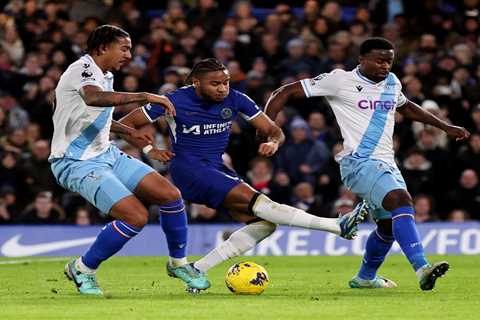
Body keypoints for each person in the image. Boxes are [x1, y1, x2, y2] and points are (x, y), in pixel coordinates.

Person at [119, 58, 367, 292]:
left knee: (264, 224)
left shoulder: (237, 99)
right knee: (261, 204)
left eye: (225, 82)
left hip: (216, 167)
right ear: (196, 83)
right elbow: (123, 123)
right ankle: (336, 225)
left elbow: (273, 129)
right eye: (215, 84)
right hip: (190, 169)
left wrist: (273, 142)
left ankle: (196, 269)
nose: (222, 89)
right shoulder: (172, 101)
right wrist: (150, 149)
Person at [263, 37, 470, 291]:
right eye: (380, 60)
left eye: (389, 61)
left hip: (386, 163)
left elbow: (407, 107)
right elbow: (283, 92)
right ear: (362, 60)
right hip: (358, 163)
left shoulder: (392, 83)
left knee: (387, 225)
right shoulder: (340, 80)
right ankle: (422, 267)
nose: (385, 66)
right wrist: (267, 128)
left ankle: (365, 277)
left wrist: (444, 126)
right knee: (401, 201)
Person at [49, 25, 208, 296]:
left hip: (105, 153)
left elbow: (97, 118)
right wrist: (145, 95)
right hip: (75, 161)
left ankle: (178, 263)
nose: (129, 55)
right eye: (124, 48)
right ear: (102, 48)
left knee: (170, 195)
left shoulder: (106, 75)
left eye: (130, 49)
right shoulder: (82, 69)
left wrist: (132, 133)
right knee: (135, 216)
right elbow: (93, 98)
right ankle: (83, 269)